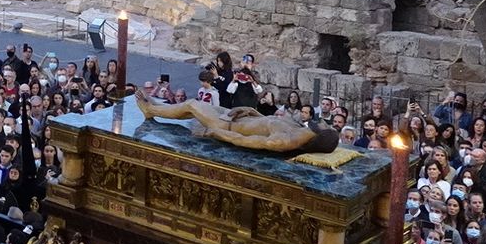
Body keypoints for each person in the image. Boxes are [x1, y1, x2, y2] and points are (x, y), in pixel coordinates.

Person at [133, 91, 340, 154]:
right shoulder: (298, 128)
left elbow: (241, 140)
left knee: (191, 105)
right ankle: (158, 108)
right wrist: (251, 111)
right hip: (239, 116)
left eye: (327, 127)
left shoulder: (284, 142)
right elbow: (267, 122)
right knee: (193, 110)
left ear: (320, 136)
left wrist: (216, 131)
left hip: (227, 126)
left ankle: (150, 110)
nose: (324, 122)